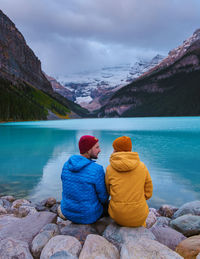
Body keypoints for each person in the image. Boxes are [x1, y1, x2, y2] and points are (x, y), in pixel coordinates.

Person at [59, 135, 108, 224]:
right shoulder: (97, 169)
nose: (100, 150)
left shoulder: (66, 165)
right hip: (88, 216)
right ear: (88, 150)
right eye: (97, 147)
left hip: (67, 212)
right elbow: (103, 198)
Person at [105, 136, 153, 227]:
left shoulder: (110, 168)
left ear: (116, 150)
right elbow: (149, 192)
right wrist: (139, 200)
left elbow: (108, 191)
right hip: (139, 214)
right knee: (141, 219)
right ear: (129, 149)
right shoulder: (142, 166)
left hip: (117, 215)